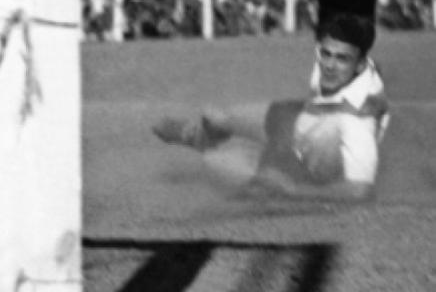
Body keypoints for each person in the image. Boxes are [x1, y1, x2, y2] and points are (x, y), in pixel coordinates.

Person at [152, 12, 387, 203]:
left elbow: (361, 192)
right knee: (216, 118)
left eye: (341, 58)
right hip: (294, 119)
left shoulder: (356, 126)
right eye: (326, 54)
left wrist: (294, 191)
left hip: (300, 162)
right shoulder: (340, 74)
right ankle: (196, 135)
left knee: (217, 165)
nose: (329, 64)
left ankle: (212, 153)